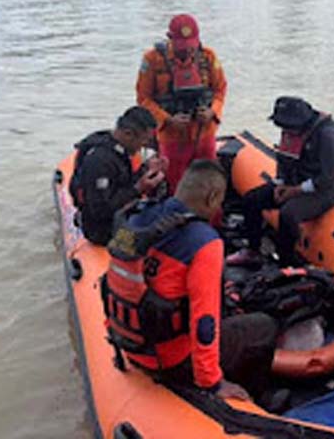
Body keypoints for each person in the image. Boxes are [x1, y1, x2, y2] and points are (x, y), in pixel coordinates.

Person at [104, 159, 280, 403]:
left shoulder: (136, 217)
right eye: (219, 202)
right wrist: (212, 383)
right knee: (264, 326)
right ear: (212, 197)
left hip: (130, 342)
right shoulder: (205, 241)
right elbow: (204, 322)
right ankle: (256, 396)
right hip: (171, 359)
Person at [228, 96, 334, 267]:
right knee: (251, 199)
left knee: (289, 214)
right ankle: (252, 250)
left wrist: (295, 190)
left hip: (323, 189)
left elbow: (328, 178)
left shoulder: (328, 135)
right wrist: (280, 183)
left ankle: (287, 261)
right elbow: (284, 160)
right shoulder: (289, 131)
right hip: (295, 181)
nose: (284, 130)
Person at [135, 14, 227, 193]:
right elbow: (143, 98)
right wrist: (168, 119)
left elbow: (220, 89)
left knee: (209, 185)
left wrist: (212, 112)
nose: (187, 51)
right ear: (170, 38)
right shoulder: (152, 60)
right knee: (176, 186)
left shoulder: (208, 57)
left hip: (204, 133)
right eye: (182, 47)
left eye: (190, 46)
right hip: (172, 137)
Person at [69, 106, 166, 246]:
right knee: (160, 240)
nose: (144, 146)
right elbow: (100, 211)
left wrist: (146, 170)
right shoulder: (99, 161)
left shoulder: (117, 150)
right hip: (102, 231)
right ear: (128, 134)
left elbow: (121, 184)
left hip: (120, 216)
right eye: (144, 141)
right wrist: (138, 189)